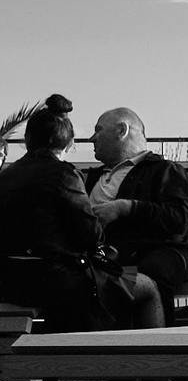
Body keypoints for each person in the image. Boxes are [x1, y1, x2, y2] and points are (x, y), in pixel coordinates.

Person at [0, 95, 132, 332]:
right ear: (69, 143)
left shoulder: (6, 176)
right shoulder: (64, 175)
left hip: (8, 280)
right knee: (126, 290)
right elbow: (91, 236)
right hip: (51, 280)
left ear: (27, 140)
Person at [83, 107, 188, 326]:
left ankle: (152, 356)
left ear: (121, 130)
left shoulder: (164, 170)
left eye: (98, 130)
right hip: (102, 257)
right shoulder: (92, 176)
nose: (91, 138)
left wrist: (125, 207)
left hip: (153, 252)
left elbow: (179, 217)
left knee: (141, 276)